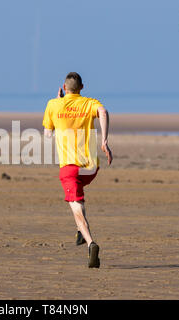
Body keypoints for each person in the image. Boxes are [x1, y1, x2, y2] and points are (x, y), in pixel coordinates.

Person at [42, 72, 113, 268]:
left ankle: (90, 242)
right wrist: (104, 141)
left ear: (64, 88)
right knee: (78, 196)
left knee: (76, 209)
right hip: (91, 168)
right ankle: (80, 232)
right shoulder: (89, 102)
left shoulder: (53, 104)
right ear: (81, 88)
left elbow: (48, 135)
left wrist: (58, 105)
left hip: (70, 168)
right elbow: (104, 112)